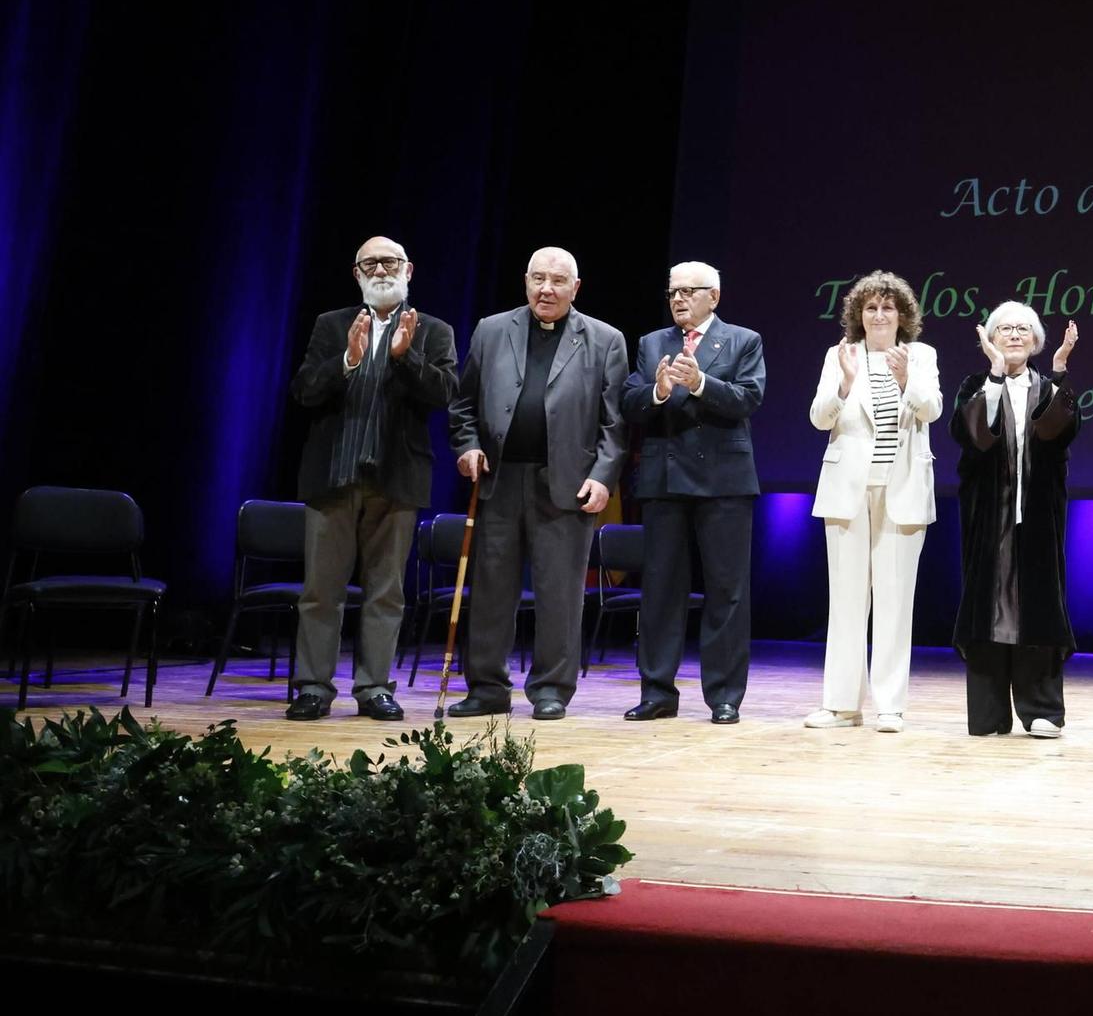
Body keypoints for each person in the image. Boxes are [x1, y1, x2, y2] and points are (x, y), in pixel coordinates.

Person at [447, 246, 627, 720]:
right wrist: (467, 447)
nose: (546, 289)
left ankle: (550, 689)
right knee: (490, 590)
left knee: (560, 594)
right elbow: (462, 405)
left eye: (558, 280)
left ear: (576, 288)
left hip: (566, 484)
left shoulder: (606, 340)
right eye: (538, 279)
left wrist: (603, 476)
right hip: (499, 480)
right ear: (526, 281)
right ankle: (486, 688)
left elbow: (616, 424)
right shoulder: (490, 330)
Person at [285, 236, 457, 721]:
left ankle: (374, 687)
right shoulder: (332, 325)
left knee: (386, 591)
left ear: (409, 269)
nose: (381, 270)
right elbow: (304, 391)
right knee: (321, 590)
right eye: (371, 263)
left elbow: (444, 393)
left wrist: (405, 356)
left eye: (390, 262)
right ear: (357, 274)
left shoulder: (433, 330)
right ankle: (314, 687)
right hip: (333, 476)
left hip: (396, 479)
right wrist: (349, 361)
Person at [621, 261, 765, 725]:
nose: (678, 299)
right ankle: (657, 690)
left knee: (727, 591)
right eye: (672, 292)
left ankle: (724, 695)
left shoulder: (743, 340)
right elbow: (629, 402)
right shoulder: (651, 344)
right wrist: (659, 391)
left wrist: (700, 383)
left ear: (714, 297)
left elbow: (748, 398)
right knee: (661, 591)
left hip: (723, 482)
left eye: (689, 291)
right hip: (664, 482)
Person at [806, 271, 941, 733]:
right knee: (844, 601)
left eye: (888, 307)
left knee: (894, 601)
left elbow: (932, 410)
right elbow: (819, 418)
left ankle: (890, 705)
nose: (879, 315)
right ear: (857, 315)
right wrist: (843, 386)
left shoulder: (920, 355)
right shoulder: (838, 355)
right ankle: (841, 705)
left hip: (901, 490)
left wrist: (907, 382)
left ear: (902, 316)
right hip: (848, 489)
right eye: (870, 308)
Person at [948, 303, 1080, 738]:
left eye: (1024, 329)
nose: (1015, 335)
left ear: (1037, 340)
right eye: (1005, 328)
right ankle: (988, 714)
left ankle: (1041, 710)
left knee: (1037, 603)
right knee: (988, 602)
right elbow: (974, 436)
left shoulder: (1046, 386)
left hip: (1038, 515)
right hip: (988, 513)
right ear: (990, 338)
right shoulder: (974, 384)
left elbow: (1058, 432)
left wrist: (1060, 371)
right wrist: (994, 375)